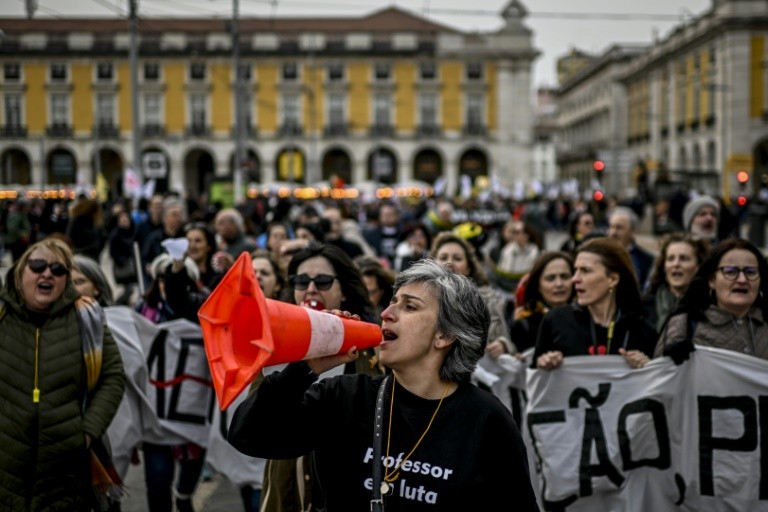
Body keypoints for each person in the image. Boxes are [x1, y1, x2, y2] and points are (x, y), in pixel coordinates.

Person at [228, 259, 540, 511]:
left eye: (410, 306)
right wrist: (305, 368)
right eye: (392, 303)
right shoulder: (345, 398)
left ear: (444, 336)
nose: (387, 314)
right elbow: (247, 435)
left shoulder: (487, 420)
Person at [0, 237, 125, 509]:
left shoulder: (85, 318)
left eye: (58, 270)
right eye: (38, 265)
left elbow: (113, 376)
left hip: (65, 473)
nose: (47, 273)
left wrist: (88, 431)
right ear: (21, 271)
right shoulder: (1, 315)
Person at [534, 237, 657, 370]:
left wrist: (648, 367)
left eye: (585, 271)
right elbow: (535, 380)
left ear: (612, 279)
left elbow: (657, 384)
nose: (575, 279)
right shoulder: (556, 321)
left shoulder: (642, 330)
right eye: (576, 270)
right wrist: (543, 363)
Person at [654, 238, 768, 362]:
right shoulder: (684, 325)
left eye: (750, 272)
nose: (742, 280)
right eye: (730, 272)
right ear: (712, 280)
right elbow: (659, 377)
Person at [431, 231, 514, 356]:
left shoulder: (491, 301)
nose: (449, 263)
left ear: (469, 268)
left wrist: (503, 345)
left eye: (457, 258)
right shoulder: (416, 298)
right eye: (443, 258)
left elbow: (510, 343)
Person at [509, 251, 575, 354]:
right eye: (550, 278)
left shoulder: (588, 318)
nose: (559, 284)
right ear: (538, 285)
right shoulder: (523, 326)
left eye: (565, 276)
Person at [643, 233, 710, 332]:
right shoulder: (645, 307)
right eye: (670, 259)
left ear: (698, 266)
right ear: (664, 266)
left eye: (683, 258)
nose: (676, 264)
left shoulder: (710, 306)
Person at [607, 206, 655, 291]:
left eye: (619, 228)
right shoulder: (600, 255)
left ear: (633, 231)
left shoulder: (646, 260)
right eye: (611, 227)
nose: (613, 232)